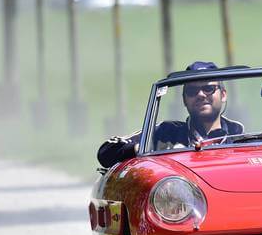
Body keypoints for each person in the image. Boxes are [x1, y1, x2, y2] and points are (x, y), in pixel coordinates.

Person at [97, 61, 244, 168]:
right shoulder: (165, 133)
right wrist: (143, 149)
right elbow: (106, 152)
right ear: (184, 100)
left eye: (208, 88)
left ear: (223, 94)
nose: (200, 95)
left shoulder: (240, 136)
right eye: (192, 91)